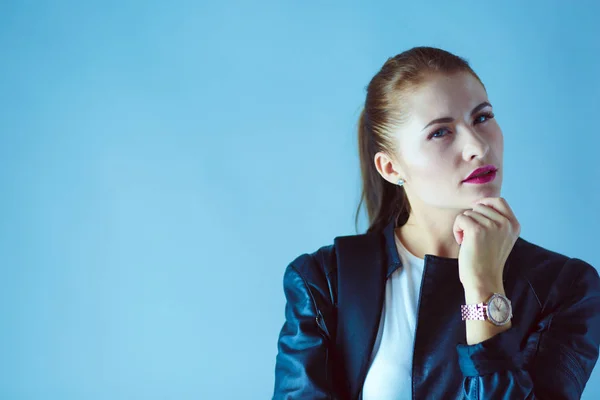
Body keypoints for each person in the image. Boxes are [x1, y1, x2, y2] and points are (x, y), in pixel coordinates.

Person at [272, 46, 600, 399]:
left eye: (482, 118)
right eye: (440, 132)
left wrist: (484, 286)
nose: (477, 146)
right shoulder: (326, 281)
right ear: (391, 168)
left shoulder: (565, 289)